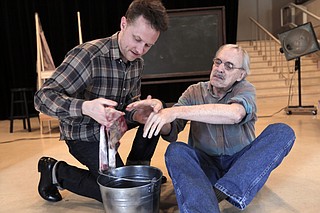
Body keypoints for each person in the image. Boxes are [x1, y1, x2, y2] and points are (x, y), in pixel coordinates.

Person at [127, 44, 296, 212]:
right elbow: (172, 129)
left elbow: (235, 114)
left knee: (282, 132)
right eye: (218, 62)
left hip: (240, 165)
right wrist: (154, 117)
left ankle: (224, 191)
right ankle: (204, 206)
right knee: (175, 150)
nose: (220, 69)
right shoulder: (194, 92)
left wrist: (174, 111)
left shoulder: (245, 88)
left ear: (241, 75)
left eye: (229, 66)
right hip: (205, 165)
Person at [34, 0, 169, 203]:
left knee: (158, 113)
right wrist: (86, 107)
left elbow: (127, 104)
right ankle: (55, 171)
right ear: (124, 24)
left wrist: (138, 112)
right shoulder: (88, 55)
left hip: (112, 126)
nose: (140, 50)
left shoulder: (136, 62)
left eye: (148, 45)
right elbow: (42, 98)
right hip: (84, 133)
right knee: (121, 196)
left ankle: (137, 170)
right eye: (137, 39)